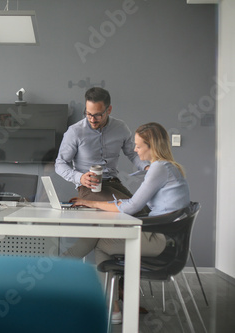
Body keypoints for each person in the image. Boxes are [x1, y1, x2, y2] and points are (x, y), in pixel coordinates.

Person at [69, 122, 191, 323]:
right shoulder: (167, 167)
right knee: (102, 237)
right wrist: (98, 204)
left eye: (138, 145)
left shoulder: (159, 168)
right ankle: (111, 305)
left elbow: (132, 206)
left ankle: (111, 305)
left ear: (151, 146)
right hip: (165, 237)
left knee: (100, 243)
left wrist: (90, 203)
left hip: (162, 241)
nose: (134, 149)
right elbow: (132, 204)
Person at [55, 87, 150, 259]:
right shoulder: (75, 132)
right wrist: (79, 177)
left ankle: (112, 272)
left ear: (109, 110)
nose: (92, 119)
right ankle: (117, 277)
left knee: (143, 213)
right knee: (132, 212)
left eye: (97, 114)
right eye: (88, 114)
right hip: (89, 188)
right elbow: (60, 164)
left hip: (113, 184)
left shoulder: (120, 128)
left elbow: (133, 154)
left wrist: (147, 167)